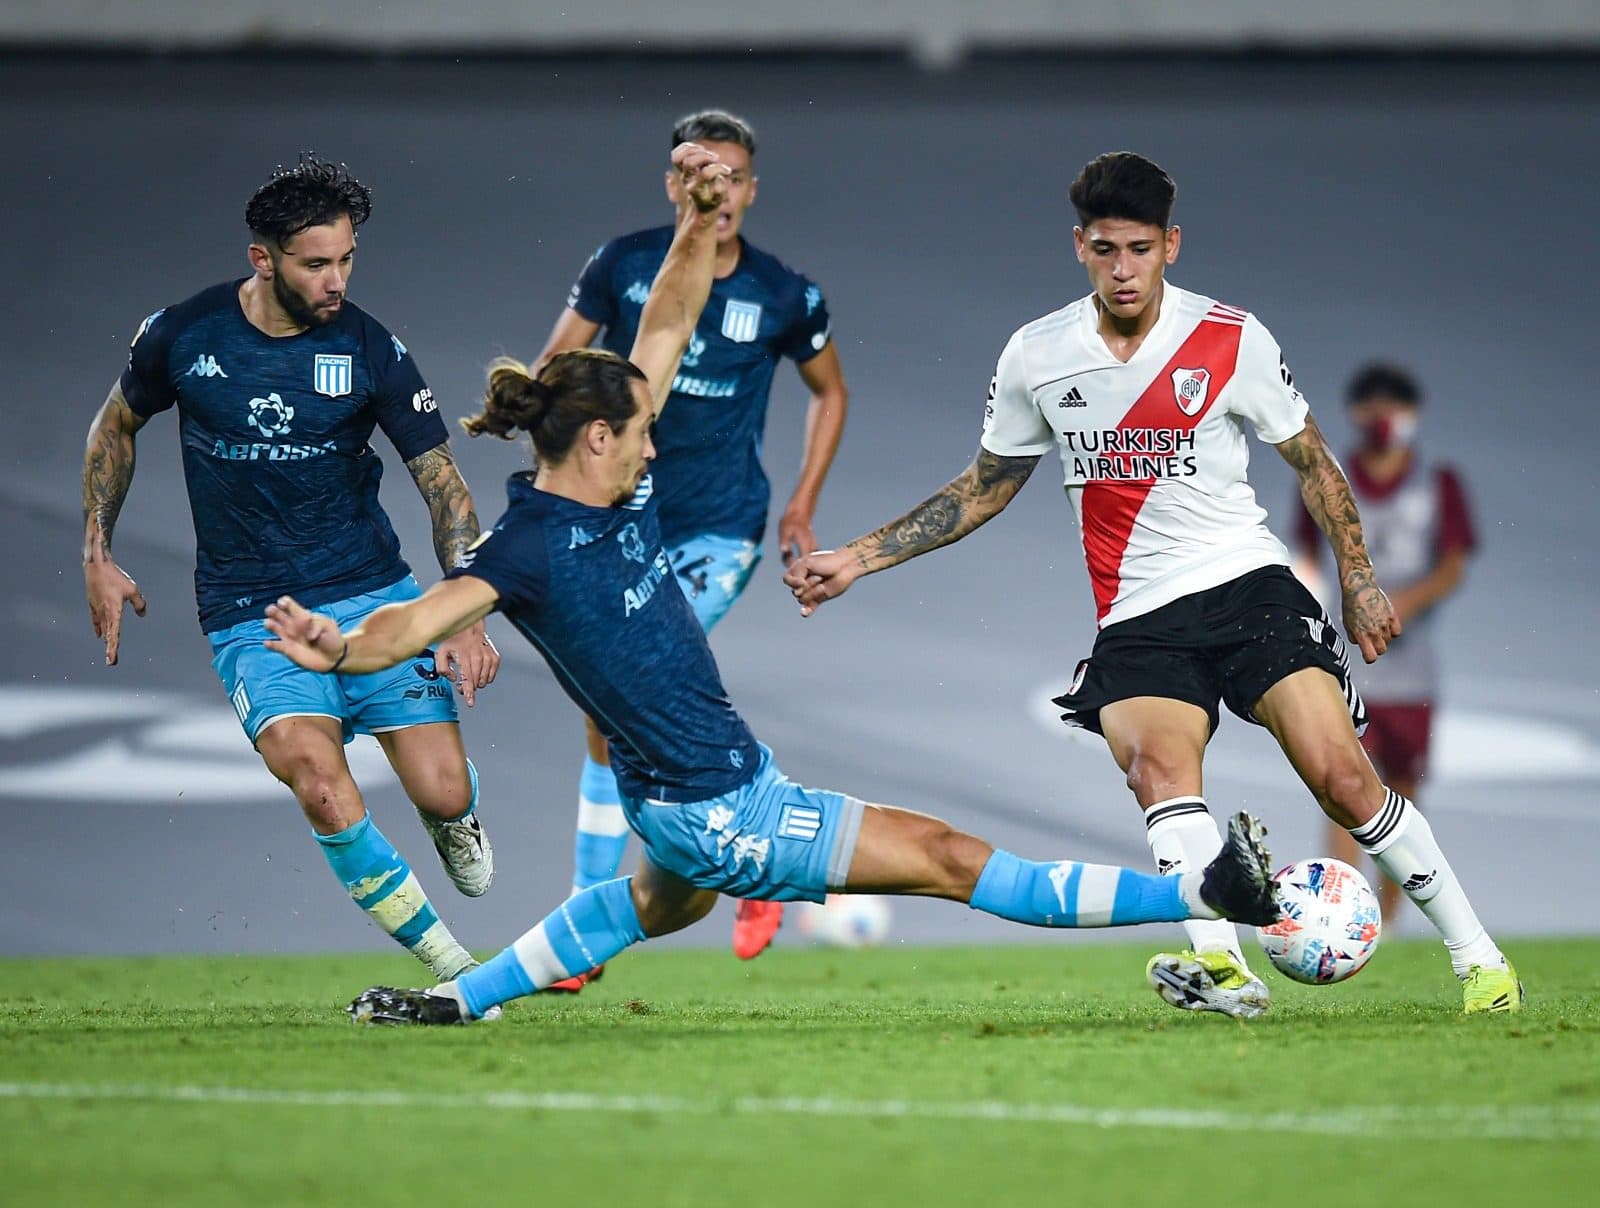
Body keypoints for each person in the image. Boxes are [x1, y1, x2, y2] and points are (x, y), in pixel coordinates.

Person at [262, 144, 1282, 1026]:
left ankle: (458, 998)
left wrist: (698, 227)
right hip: (723, 808)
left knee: (654, 907)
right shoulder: (526, 545)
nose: (658, 442)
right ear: (600, 436)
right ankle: (1205, 887)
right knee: (948, 857)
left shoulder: (614, 478)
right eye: (645, 429)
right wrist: (338, 648)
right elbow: (414, 623)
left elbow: (666, 315)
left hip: (684, 798)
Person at [785, 151, 1521, 1015]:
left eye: (1139, 248)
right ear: (1079, 247)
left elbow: (1313, 461)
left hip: (1248, 587)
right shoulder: (1038, 355)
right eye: (1105, 250)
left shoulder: (1230, 337)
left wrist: (1357, 577)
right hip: (1139, 616)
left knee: (1345, 780)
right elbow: (985, 485)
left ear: (1171, 244)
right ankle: (1225, 972)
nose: (1123, 269)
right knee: (1157, 773)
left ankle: (1482, 964)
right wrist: (859, 559)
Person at [82, 154, 498, 981]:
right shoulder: (184, 335)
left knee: (444, 791)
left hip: (374, 597)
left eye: (346, 258)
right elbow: (114, 427)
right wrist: (97, 553)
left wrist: (464, 608)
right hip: (251, 612)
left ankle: (456, 815)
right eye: (316, 263)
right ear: (262, 259)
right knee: (317, 777)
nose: (336, 279)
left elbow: (442, 483)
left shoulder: (372, 349)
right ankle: (453, 964)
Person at [534, 110, 849, 970]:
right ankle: (753, 871)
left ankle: (583, 920)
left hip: (721, 528)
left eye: (737, 176)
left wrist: (800, 504)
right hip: (621, 521)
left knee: (629, 692)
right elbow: (554, 366)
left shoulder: (784, 294)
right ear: (676, 184)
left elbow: (831, 393)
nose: (722, 191)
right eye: (703, 174)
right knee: (634, 702)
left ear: (751, 187)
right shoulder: (626, 266)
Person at [1291, 364, 1477, 925]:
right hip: (1346, 658)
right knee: (1343, 787)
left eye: (1391, 406)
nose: (1380, 418)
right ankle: (1332, 914)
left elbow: (1452, 566)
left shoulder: (1436, 484)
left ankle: (1387, 923)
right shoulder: (1327, 479)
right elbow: (1303, 555)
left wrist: (1403, 605)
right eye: (1369, 406)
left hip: (1411, 665)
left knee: (1402, 794)